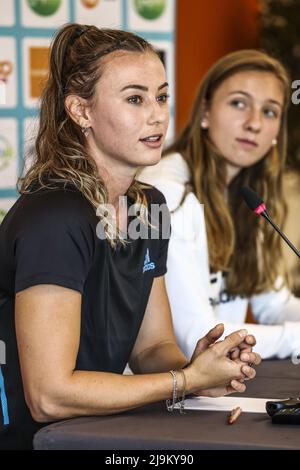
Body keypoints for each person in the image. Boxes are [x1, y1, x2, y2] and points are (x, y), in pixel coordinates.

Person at [0, 26, 260, 450]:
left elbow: (151, 346)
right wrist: (183, 381)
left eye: (161, 96)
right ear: (81, 111)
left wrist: (202, 373)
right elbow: (49, 395)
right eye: (135, 99)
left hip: (85, 434)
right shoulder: (56, 217)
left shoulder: (149, 206)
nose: (157, 114)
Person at [139, 50, 300, 361]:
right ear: (205, 112)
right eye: (239, 103)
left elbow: (273, 305)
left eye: (269, 112)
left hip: (212, 388)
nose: (254, 123)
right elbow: (200, 338)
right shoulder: (167, 192)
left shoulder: (248, 196)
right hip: (155, 393)